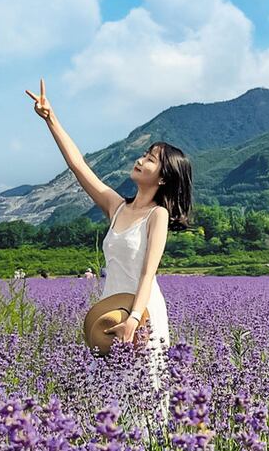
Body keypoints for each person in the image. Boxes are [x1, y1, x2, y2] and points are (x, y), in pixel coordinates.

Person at [26, 78, 193, 418]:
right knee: (109, 399)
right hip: (111, 308)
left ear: (162, 178)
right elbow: (78, 166)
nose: (141, 160)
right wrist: (50, 118)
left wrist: (134, 319)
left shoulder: (157, 215)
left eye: (150, 159)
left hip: (141, 313)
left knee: (143, 401)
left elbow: (148, 273)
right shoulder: (116, 207)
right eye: (144, 155)